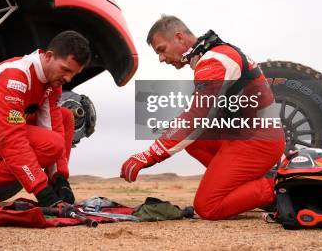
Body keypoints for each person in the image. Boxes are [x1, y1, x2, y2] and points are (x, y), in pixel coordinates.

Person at [120, 15, 285, 220]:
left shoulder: (214, 60)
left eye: (161, 50)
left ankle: (277, 187)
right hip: (245, 135)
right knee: (193, 141)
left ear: (179, 38)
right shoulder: (213, 55)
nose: (161, 59)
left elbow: (196, 117)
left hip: (256, 142)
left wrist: (149, 155)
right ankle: (247, 184)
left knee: (207, 206)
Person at [0, 30, 90, 211]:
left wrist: (60, 181)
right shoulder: (15, 76)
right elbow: (11, 138)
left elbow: (53, 126)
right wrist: (43, 192)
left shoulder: (52, 84)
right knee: (51, 144)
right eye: (65, 70)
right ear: (49, 56)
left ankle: (54, 183)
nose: (68, 78)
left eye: (74, 74)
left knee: (65, 117)